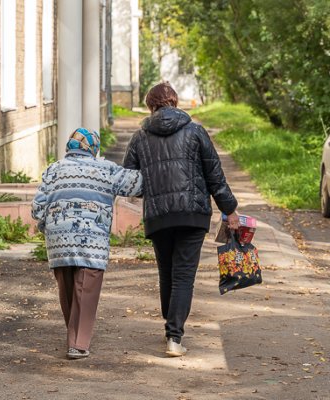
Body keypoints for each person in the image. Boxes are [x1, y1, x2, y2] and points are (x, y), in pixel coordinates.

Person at [123, 83, 239, 357]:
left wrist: (151, 185)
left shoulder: (140, 137)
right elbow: (215, 175)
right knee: (184, 275)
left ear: (151, 106)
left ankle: (171, 330)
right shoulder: (196, 131)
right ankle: (174, 336)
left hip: (158, 216)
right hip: (193, 214)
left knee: (167, 273)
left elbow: (129, 181)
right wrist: (230, 209)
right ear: (174, 102)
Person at [32, 128, 143, 359]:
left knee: (68, 290)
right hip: (91, 241)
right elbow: (138, 185)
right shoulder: (106, 169)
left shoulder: (53, 170)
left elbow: (37, 207)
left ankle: (74, 337)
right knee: (87, 289)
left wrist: (46, 226)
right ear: (94, 148)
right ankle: (78, 344)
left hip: (58, 240)